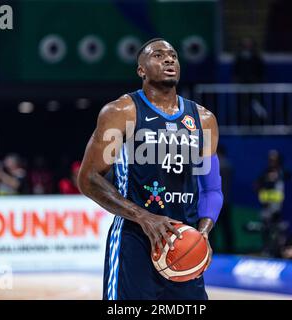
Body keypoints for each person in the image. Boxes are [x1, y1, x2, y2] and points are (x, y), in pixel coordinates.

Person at [78, 38, 223, 300]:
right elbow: (88, 178)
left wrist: (202, 234)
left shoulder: (204, 120)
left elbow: (211, 189)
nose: (169, 59)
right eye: (158, 55)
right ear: (141, 70)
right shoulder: (122, 112)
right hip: (134, 241)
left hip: (184, 242)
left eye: (173, 55)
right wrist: (144, 217)